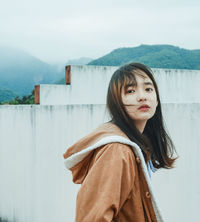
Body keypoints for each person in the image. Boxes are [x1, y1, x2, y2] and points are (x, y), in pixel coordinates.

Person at [63, 62, 177, 222]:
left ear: (157, 100)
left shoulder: (137, 145)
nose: (142, 96)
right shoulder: (117, 149)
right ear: (116, 102)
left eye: (148, 89)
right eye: (130, 90)